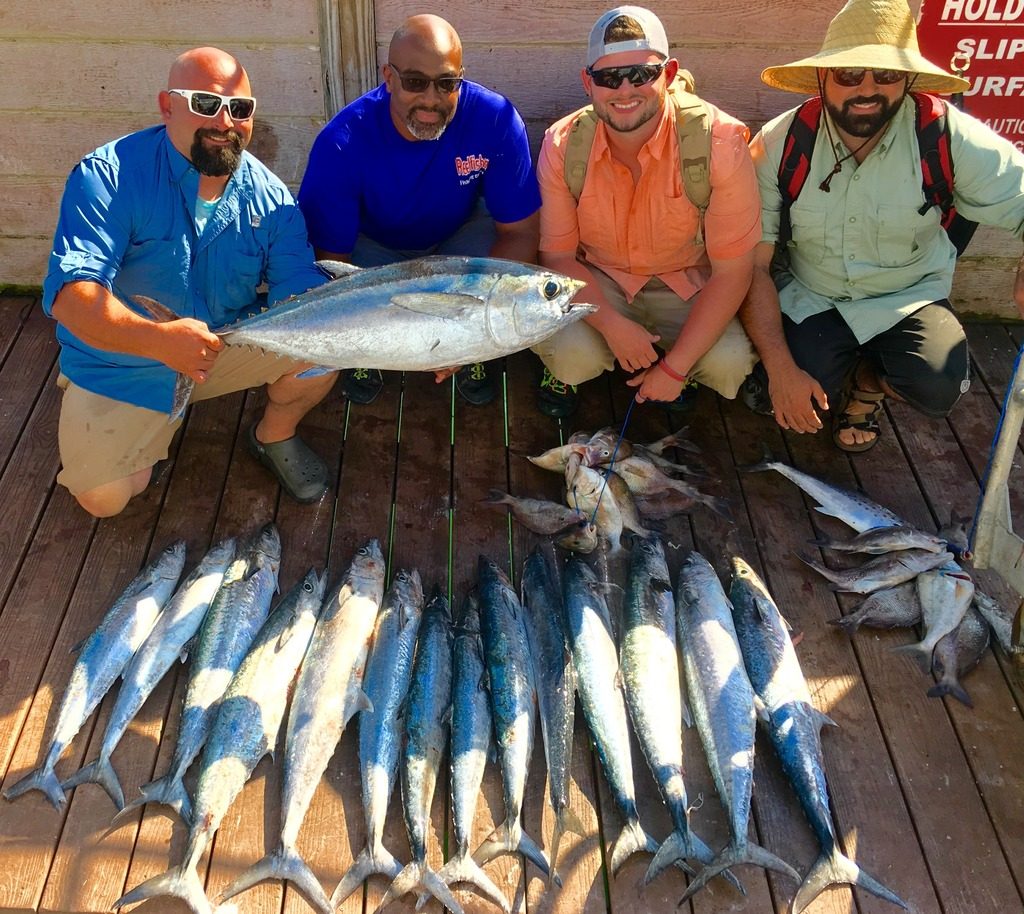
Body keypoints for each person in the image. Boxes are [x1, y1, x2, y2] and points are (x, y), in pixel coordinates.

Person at [42, 47, 336, 517]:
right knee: (106, 499)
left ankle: (273, 437)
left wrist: (421, 344)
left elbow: (297, 290)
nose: (224, 121)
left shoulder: (273, 198)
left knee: (321, 352)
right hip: (127, 356)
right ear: (166, 105)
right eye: (205, 104)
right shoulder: (109, 176)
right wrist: (158, 340)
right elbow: (72, 297)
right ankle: (125, 419)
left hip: (224, 344)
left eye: (239, 109)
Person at [740, 0, 1024, 452]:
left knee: (938, 387)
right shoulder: (780, 143)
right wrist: (781, 370)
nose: (867, 89)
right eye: (850, 75)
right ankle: (836, 368)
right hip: (814, 295)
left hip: (908, 295)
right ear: (823, 78)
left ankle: (870, 381)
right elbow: (752, 267)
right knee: (766, 398)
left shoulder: (947, 134)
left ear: (908, 80)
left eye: (886, 75)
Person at [298, 14, 542, 407]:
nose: (431, 98)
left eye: (446, 83)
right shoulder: (342, 142)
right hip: (374, 252)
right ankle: (364, 348)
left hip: (459, 243)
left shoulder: (495, 119)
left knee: (499, 248)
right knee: (342, 280)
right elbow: (332, 258)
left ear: (461, 78)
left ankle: (474, 351)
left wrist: (472, 333)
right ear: (388, 77)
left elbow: (521, 231)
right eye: (414, 82)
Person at [530, 5, 762, 419]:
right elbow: (559, 259)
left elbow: (733, 272)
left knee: (730, 367)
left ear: (669, 75)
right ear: (588, 83)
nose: (625, 90)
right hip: (600, 280)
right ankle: (577, 368)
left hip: (687, 285)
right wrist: (613, 327)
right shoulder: (564, 145)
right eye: (608, 78)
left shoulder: (720, 143)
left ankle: (675, 364)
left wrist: (673, 370)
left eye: (642, 74)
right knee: (571, 358)